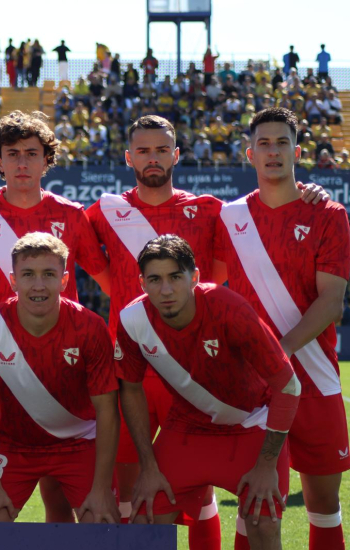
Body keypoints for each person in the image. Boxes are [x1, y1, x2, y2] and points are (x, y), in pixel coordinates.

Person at [84, 114, 326, 546]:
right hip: (136, 367)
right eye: (143, 150)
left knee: (200, 497)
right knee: (135, 493)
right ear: (128, 157)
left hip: (197, 365)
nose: (153, 158)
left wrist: (310, 190)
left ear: (176, 155)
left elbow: (238, 252)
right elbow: (61, 239)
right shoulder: (105, 210)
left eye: (162, 149)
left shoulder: (211, 209)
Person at [0, 110, 111, 523]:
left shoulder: (72, 215)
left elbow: (109, 281)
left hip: (61, 369)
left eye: (31, 154)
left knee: (60, 497)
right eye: (12, 153)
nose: (21, 163)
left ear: (45, 160)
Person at [215, 107, 349, 550]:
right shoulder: (228, 218)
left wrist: (278, 350)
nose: (273, 151)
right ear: (249, 154)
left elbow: (331, 301)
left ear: (297, 150)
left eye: (282, 143)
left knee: (323, 506)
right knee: (253, 503)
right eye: (265, 144)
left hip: (315, 374)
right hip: (252, 385)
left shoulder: (329, 214)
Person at [116, 234, 300, 550]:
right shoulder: (132, 320)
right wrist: (148, 466)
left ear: (195, 277)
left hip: (250, 426)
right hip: (187, 429)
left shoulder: (229, 309)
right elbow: (130, 390)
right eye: (155, 279)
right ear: (142, 283)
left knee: (263, 522)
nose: (166, 289)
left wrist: (267, 466)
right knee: (145, 515)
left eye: (176, 277)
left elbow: (288, 386)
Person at [0, 232, 120, 523]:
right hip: (11, 445)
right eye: (28, 274)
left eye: (48, 274)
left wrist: (100, 488)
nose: (38, 285)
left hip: (78, 442)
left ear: (64, 280)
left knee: (102, 519)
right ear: (13, 280)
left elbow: (107, 410)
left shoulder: (90, 328)